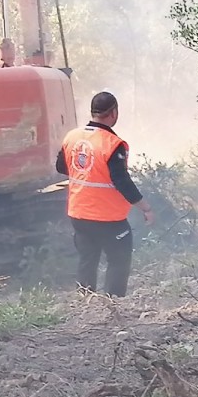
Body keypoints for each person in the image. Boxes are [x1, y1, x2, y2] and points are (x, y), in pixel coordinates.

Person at [56, 91, 154, 297]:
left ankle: (86, 304)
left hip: (79, 214)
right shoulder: (111, 144)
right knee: (119, 259)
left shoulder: (72, 137)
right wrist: (145, 207)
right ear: (113, 113)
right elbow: (122, 181)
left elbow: (61, 167)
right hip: (108, 218)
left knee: (87, 259)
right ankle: (113, 304)